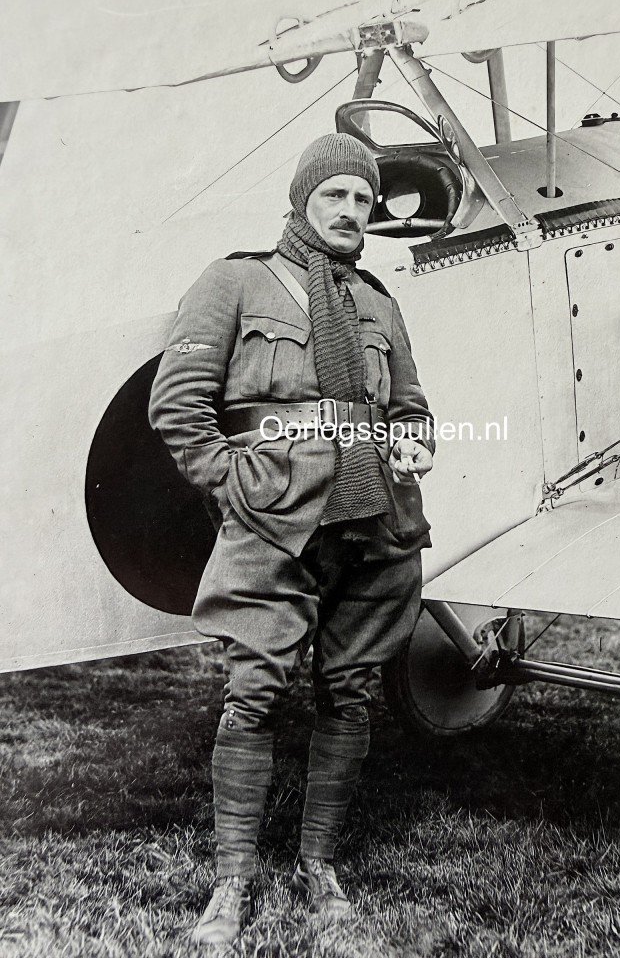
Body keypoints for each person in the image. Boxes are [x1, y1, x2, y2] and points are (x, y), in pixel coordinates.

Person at [149, 132, 435, 946]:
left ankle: (319, 865)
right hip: (274, 521)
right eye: (334, 196)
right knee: (256, 690)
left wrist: (416, 441)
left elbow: (410, 406)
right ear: (302, 200)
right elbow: (178, 405)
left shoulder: (378, 302)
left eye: (362, 199)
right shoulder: (236, 281)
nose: (351, 211)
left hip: (376, 521)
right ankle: (233, 879)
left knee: (348, 691)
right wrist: (235, 482)